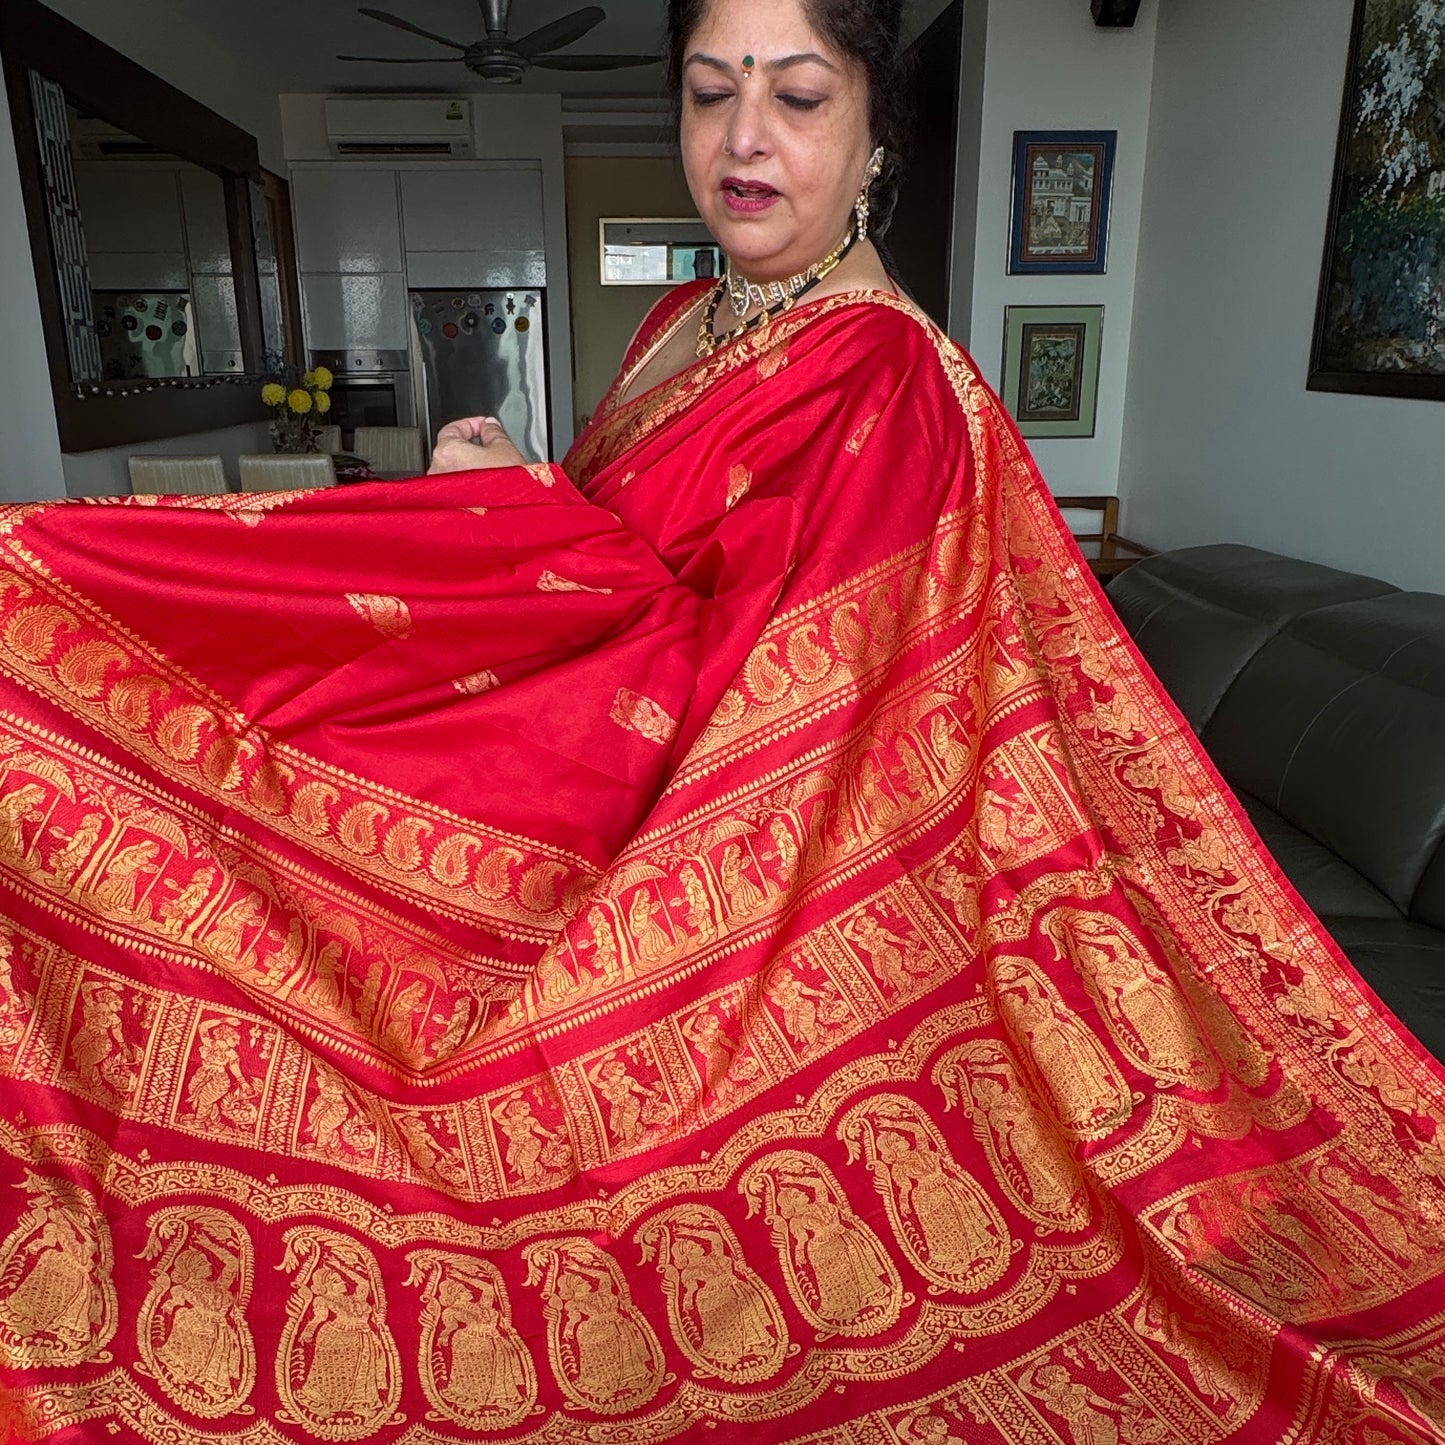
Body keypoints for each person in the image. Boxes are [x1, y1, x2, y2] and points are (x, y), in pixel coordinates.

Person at [0, 1, 1441, 1441]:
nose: (743, 139)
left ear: (880, 128)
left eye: (799, 96)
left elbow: (781, 703)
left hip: (713, 855)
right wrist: (511, 492)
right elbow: (616, 568)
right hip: (572, 780)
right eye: (707, 92)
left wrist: (516, 526)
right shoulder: (680, 319)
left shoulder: (884, 377)